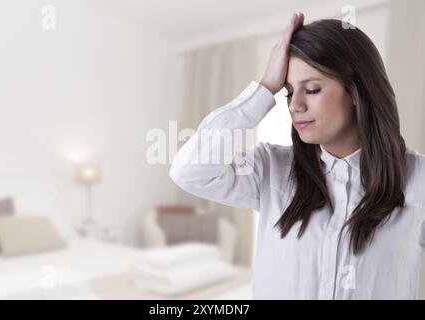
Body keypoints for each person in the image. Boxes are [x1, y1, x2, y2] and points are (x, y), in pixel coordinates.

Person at [169, 12, 425, 299]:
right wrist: (265, 88)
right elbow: (189, 171)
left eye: (312, 89)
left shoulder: (418, 180)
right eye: (289, 92)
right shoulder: (271, 169)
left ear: (357, 91)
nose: (295, 106)